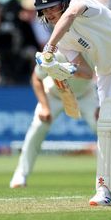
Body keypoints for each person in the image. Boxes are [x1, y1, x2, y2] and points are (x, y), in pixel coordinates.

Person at [33, 0, 111, 206]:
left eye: (54, 7)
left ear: (65, 2)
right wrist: (66, 70)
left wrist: (49, 49)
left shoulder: (81, 3)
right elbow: (86, 72)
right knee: (108, 125)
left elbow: (69, 17)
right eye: (45, 10)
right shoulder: (63, 39)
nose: (50, 14)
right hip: (105, 69)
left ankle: (106, 189)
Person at [9, 52, 99, 188]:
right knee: (38, 127)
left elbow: (104, 76)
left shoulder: (90, 49)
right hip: (54, 96)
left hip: (85, 96)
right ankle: (20, 175)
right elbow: (36, 79)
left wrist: (101, 104)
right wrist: (45, 107)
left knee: (104, 129)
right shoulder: (52, 53)